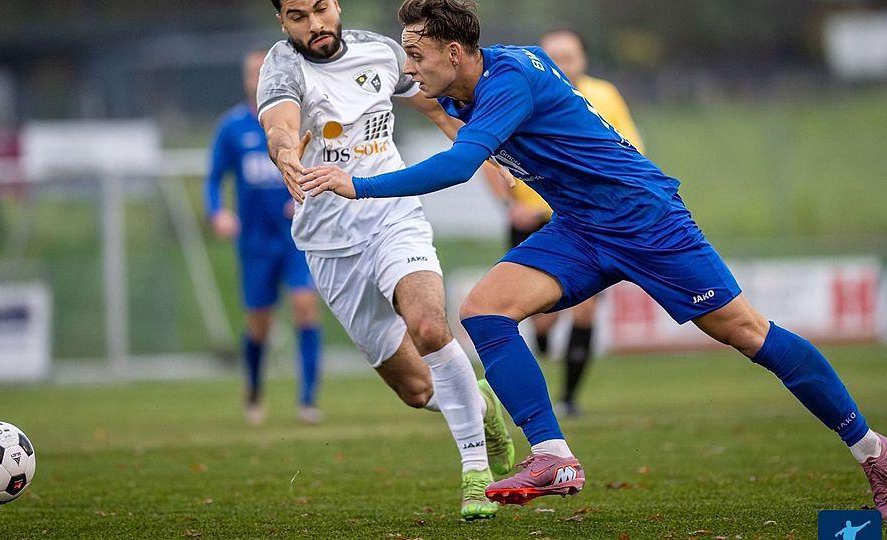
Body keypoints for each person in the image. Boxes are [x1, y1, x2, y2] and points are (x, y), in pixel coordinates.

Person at [296, 0, 887, 518]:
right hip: (581, 227)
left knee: (747, 333)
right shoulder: (465, 85)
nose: (408, 65)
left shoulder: (508, 80)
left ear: (454, 52)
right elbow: (448, 119)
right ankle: (553, 457)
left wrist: (358, 185)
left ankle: (874, 451)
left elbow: (458, 166)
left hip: (644, 219)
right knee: (483, 312)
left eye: (416, 53)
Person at [256, 0, 516, 521]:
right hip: (329, 244)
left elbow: (438, 108)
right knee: (417, 388)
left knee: (428, 324)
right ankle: (479, 404)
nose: (316, 24)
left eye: (321, 9)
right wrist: (286, 154)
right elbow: (280, 128)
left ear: (337, 5)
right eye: (299, 16)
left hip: (392, 217)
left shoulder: (382, 52)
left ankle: (474, 472)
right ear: (282, 22)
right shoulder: (283, 67)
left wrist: (488, 157)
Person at [483, 28, 647, 417]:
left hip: (587, 220)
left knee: (586, 308)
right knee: (539, 317)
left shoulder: (604, 96)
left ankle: (570, 399)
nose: (563, 63)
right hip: (532, 218)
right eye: (555, 55)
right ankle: (540, 355)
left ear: (584, 60)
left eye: (570, 55)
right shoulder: (520, 95)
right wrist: (510, 206)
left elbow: (631, 149)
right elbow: (486, 156)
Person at [204, 48, 323, 426]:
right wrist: (217, 212)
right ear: (245, 79)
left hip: (296, 237)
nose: (259, 79)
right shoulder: (233, 127)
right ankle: (254, 392)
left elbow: (327, 162)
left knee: (305, 306)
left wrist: (310, 197)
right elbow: (213, 178)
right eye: (253, 72)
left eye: (264, 72)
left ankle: (307, 401)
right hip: (255, 241)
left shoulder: (299, 121)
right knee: (260, 323)